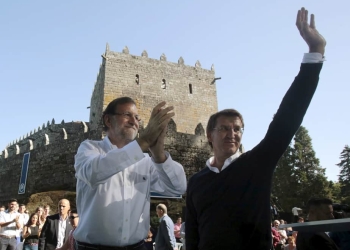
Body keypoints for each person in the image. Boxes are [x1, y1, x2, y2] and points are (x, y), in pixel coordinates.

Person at [185, 7, 326, 250]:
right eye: (225, 129)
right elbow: (194, 234)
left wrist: (315, 53)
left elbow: (287, 119)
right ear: (209, 135)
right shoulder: (197, 182)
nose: (233, 134)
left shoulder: (256, 164)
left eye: (238, 129)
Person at [74, 98, 187, 249]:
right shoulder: (89, 149)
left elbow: (178, 187)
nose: (134, 121)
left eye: (137, 117)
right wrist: (144, 141)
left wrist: (159, 155)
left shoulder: (145, 161)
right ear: (108, 120)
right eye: (127, 115)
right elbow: (93, 173)